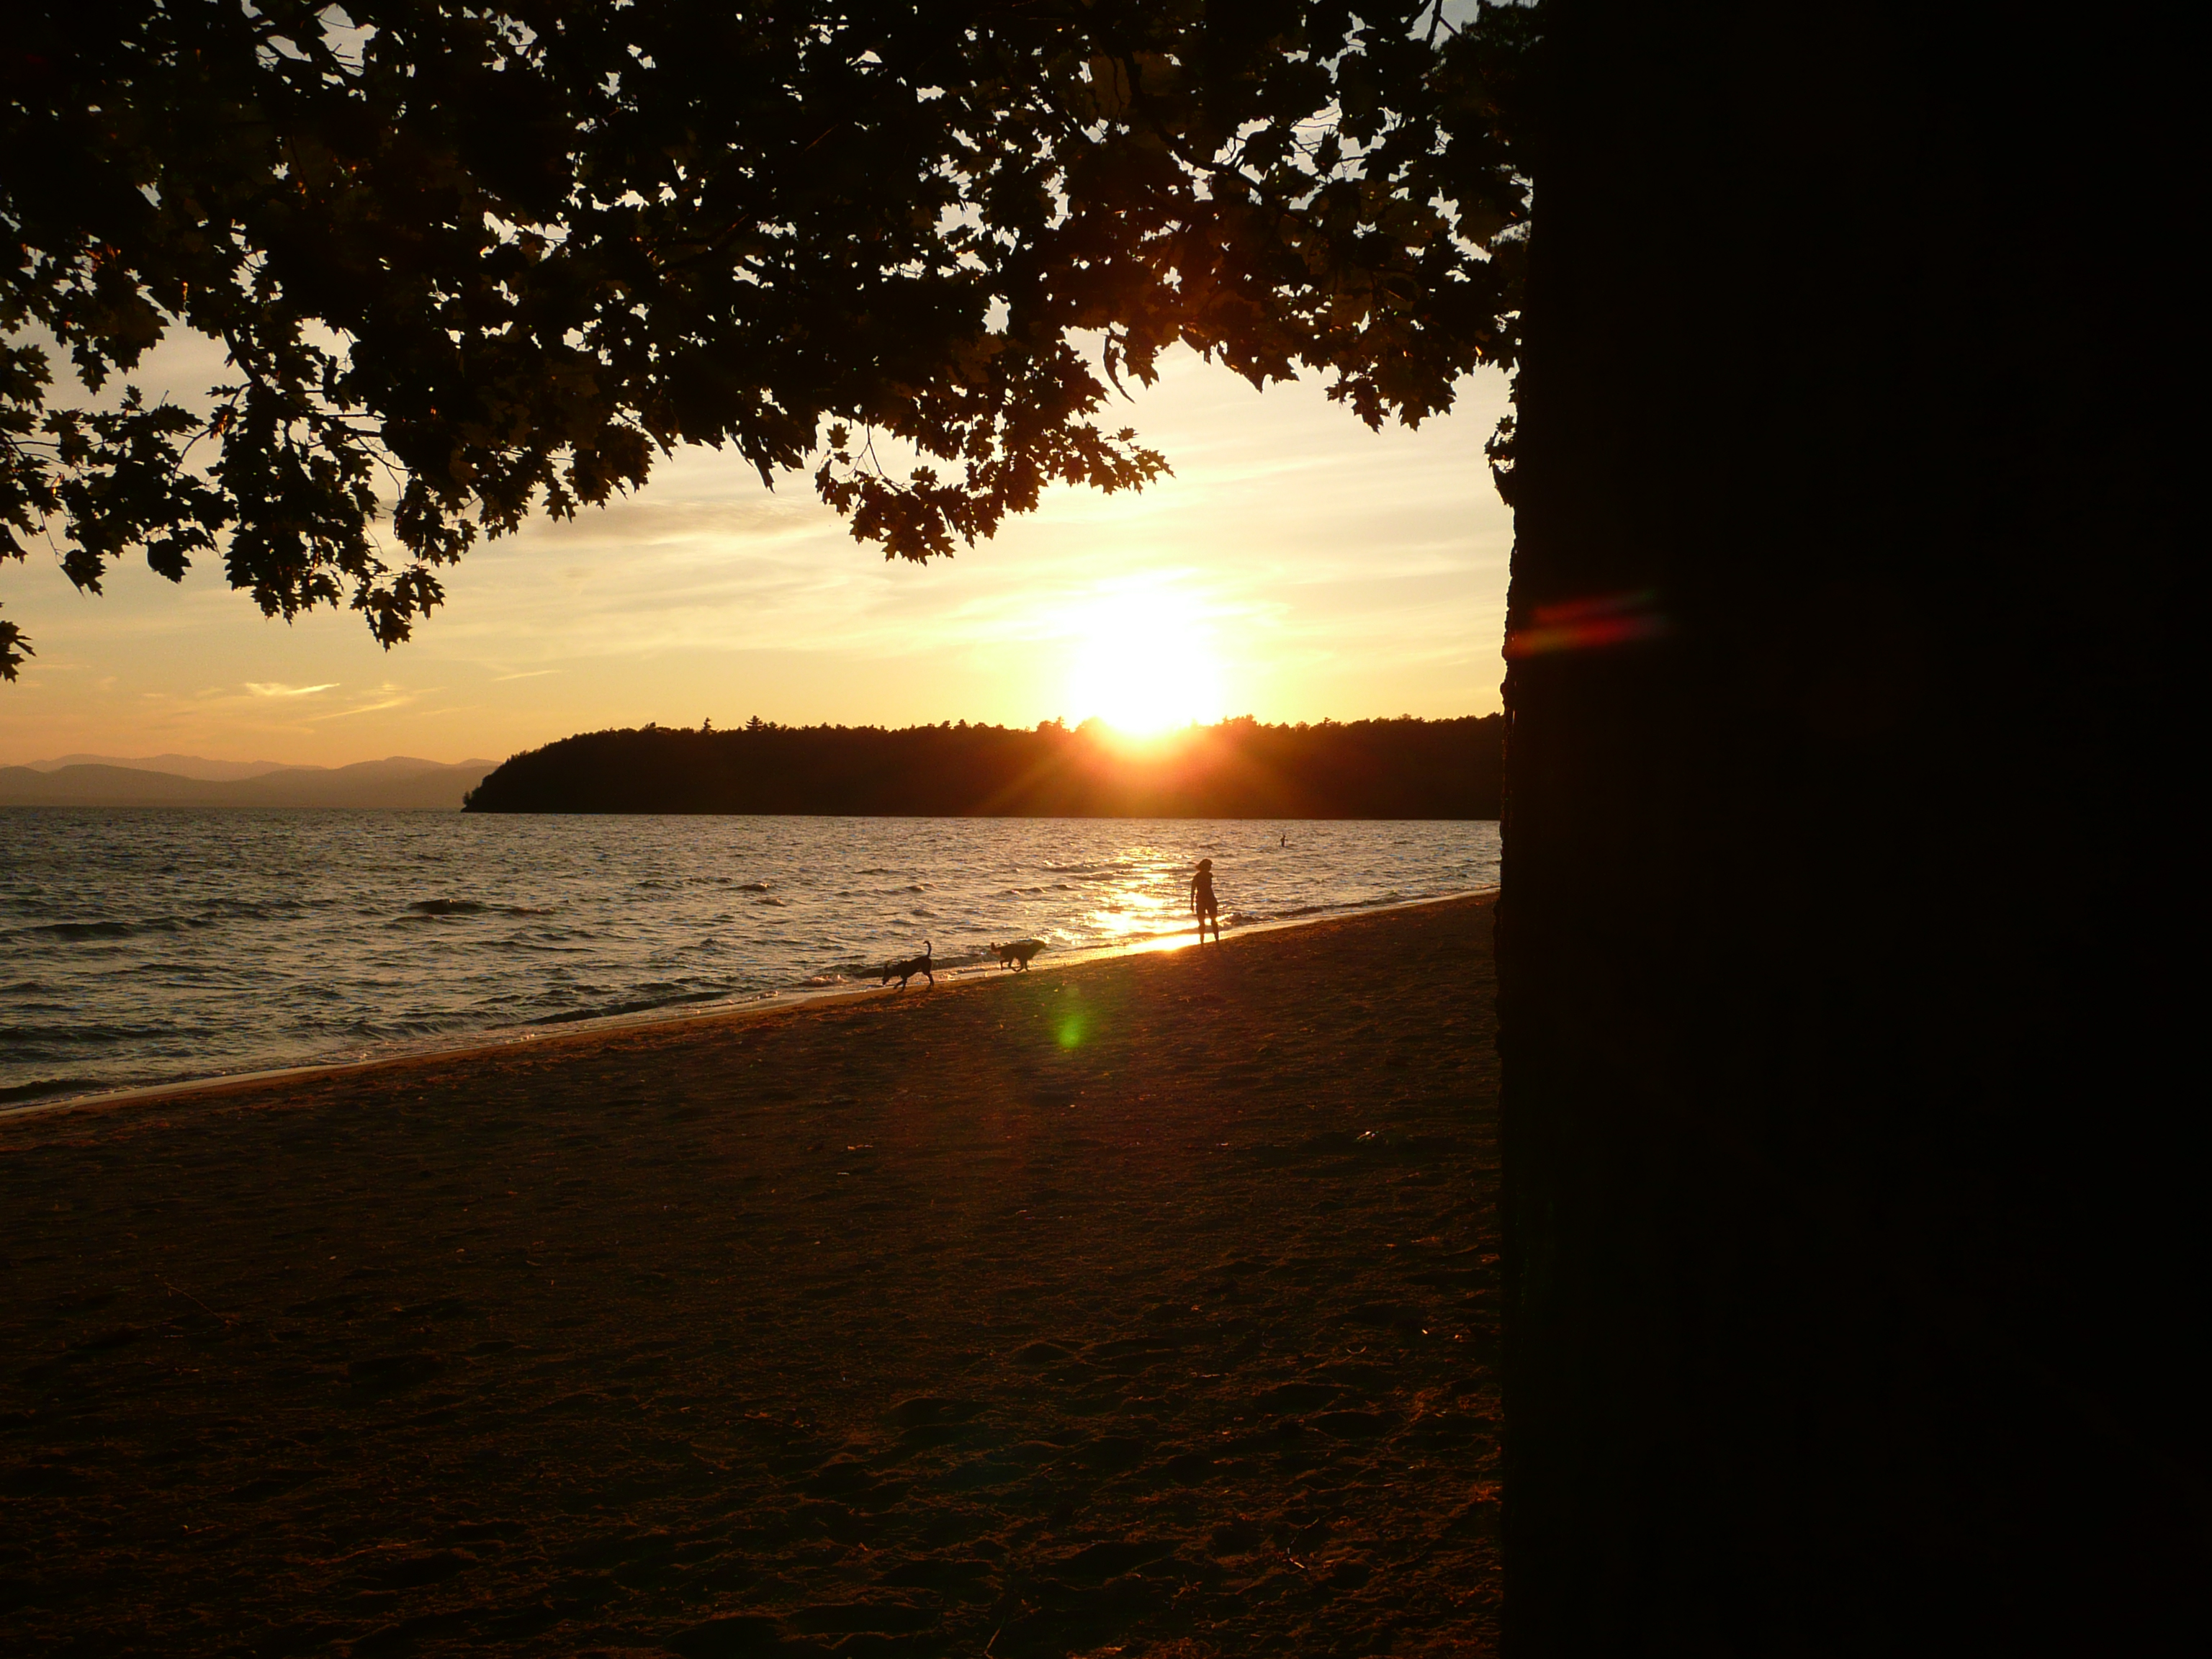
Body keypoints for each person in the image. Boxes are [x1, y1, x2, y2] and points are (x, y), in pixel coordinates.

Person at [1190, 857, 1222, 945]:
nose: (1210, 867)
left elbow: (1193, 891)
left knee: (1202, 922)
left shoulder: (1199, 877)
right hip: (1208, 899)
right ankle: (1216, 940)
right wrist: (1192, 904)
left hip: (1201, 899)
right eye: (1209, 866)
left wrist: (1192, 904)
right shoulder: (1208, 876)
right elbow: (1194, 890)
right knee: (1213, 921)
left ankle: (1203, 942)